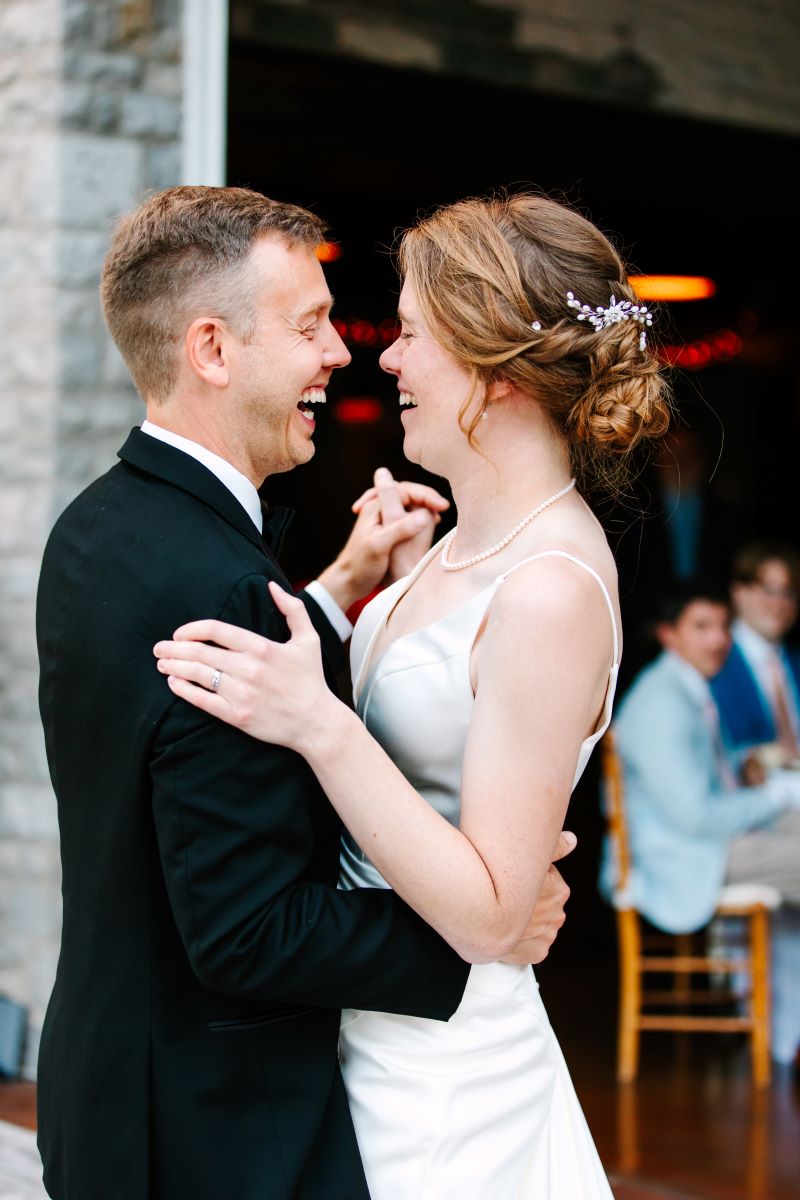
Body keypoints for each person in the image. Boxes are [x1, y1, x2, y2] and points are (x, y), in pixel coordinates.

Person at [35, 187, 572, 1200]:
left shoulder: (97, 526)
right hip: (215, 1135)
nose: (340, 353)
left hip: (108, 1086)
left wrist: (331, 592)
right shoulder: (219, 585)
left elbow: (181, 747)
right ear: (212, 349)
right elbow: (245, 930)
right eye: (309, 324)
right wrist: (484, 933)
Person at [155, 191, 671, 1197]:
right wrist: (359, 585)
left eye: (410, 335)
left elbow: (487, 915)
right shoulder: (462, 551)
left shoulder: (552, 589)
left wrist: (319, 723)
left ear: (494, 370)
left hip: (446, 1087)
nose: (383, 360)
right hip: (361, 1031)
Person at [599, 581, 800, 1061]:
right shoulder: (660, 702)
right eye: (702, 627)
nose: (718, 641)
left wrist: (749, 760)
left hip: (705, 844)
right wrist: (777, 794)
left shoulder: (686, 687)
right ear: (668, 634)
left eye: (723, 627)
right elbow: (697, 816)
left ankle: (784, 1029)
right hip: (682, 858)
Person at [711, 540, 800, 763]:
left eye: (788, 592)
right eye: (768, 590)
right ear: (739, 592)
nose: (779, 603)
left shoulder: (794, 662)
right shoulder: (715, 660)